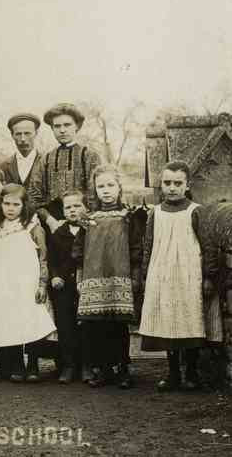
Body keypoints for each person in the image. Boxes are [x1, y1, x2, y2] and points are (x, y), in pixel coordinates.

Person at [140, 161, 222, 391]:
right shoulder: (155, 213)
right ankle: (173, 372)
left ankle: (192, 373)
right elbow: (148, 245)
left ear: (187, 185)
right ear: (161, 184)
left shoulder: (195, 211)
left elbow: (208, 246)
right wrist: (146, 275)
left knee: (189, 319)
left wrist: (208, 276)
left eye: (178, 183)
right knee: (167, 320)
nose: (172, 188)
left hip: (188, 274)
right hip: (162, 274)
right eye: (167, 183)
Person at [73, 165, 142, 389]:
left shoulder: (128, 217)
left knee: (118, 326)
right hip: (94, 278)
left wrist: (134, 276)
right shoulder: (89, 219)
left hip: (118, 278)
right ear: (94, 189)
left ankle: (122, 368)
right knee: (96, 327)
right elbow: (79, 251)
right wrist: (80, 277)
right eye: (101, 186)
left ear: (119, 188)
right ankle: (101, 369)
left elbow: (135, 248)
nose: (106, 190)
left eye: (110, 185)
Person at [0, 184, 55, 383]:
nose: (10, 208)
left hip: (27, 283)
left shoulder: (32, 227)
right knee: (10, 323)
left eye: (15, 204)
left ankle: (32, 364)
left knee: (30, 321)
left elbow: (43, 257)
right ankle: (16, 364)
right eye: (6, 204)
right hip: (5, 285)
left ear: (24, 205)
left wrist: (42, 284)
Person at [28, 103, 101, 234]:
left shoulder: (89, 156)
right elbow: (34, 197)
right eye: (57, 126)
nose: (62, 130)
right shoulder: (46, 159)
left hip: (86, 225)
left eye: (67, 125)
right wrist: (50, 221)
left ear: (77, 126)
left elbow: (96, 194)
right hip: (54, 226)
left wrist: (85, 221)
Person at [48, 190, 87, 384]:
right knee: (65, 325)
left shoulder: (91, 229)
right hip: (64, 287)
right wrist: (55, 276)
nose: (73, 210)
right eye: (68, 207)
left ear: (85, 207)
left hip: (85, 285)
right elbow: (52, 260)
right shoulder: (58, 234)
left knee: (86, 325)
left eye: (77, 206)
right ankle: (68, 365)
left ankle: (87, 365)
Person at [0, 113, 42, 188]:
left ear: (36, 133)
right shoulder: (3, 167)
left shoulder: (48, 163)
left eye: (27, 133)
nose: (23, 139)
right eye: (18, 134)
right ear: (12, 135)